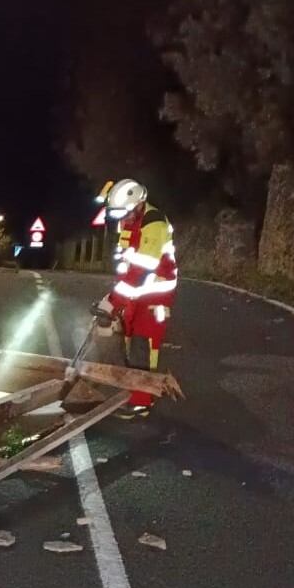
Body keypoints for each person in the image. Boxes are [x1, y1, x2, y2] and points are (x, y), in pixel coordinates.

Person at [97, 178, 177, 415]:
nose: (123, 220)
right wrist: (113, 295)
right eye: (119, 215)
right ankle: (134, 393)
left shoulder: (155, 223)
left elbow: (144, 268)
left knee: (144, 342)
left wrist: (112, 302)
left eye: (126, 214)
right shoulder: (128, 220)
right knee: (130, 339)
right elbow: (126, 264)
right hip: (137, 290)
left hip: (156, 292)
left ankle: (142, 401)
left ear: (139, 204)